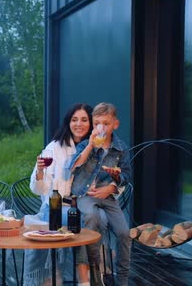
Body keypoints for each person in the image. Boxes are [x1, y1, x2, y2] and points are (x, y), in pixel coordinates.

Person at [23, 103, 96, 286]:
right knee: (80, 218)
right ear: (68, 122)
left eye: (84, 120)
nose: (79, 124)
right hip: (56, 207)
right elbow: (39, 189)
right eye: (74, 120)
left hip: (87, 204)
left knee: (96, 217)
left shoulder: (97, 148)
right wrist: (40, 173)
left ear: (92, 123)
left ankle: (92, 274)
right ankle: (81, 278)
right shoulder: (54, 148)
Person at [70, 102, 132, 286]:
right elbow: (73, 166)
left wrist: (113, 184)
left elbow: (127, 174)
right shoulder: (85, 144)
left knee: (124, 233)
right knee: (92, 218)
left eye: (105, 123)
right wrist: (90, 145)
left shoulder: (121, 148)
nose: (100, 128)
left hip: (108, 196)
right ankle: (95, 278)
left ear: (115, 125)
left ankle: (122, 281)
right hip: (85, 195)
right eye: (97, 123)